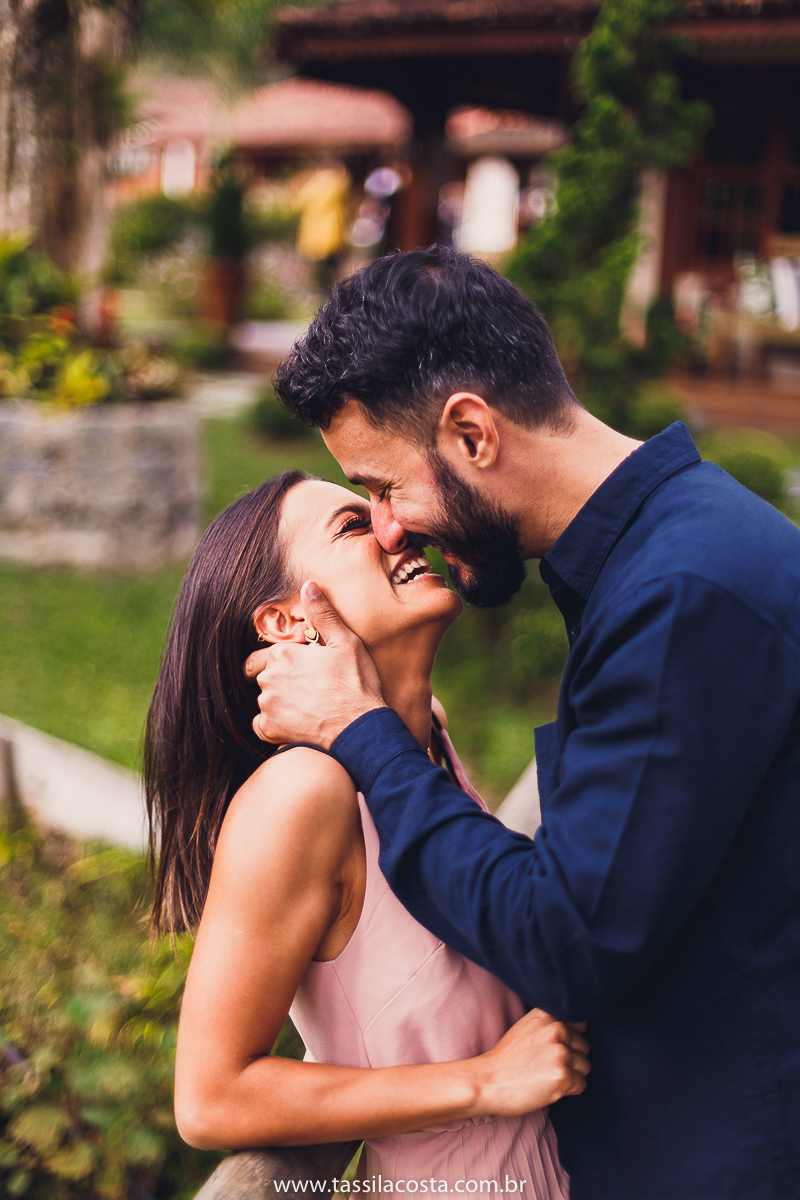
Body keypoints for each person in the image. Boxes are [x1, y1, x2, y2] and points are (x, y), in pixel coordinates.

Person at [247, 246, 800, 1200]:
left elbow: (567, 943)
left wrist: (362, 731)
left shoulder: (680, 594)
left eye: (382, 486)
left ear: (472, 432)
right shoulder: (667, 557)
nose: (387, 528)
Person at [143, 469, 590, 1195]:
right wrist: (484, 1081)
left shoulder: (427, 737)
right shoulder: (303, 794)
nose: (398, 529)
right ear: (287, 622)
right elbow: (210, 1100)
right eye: (356, 525)